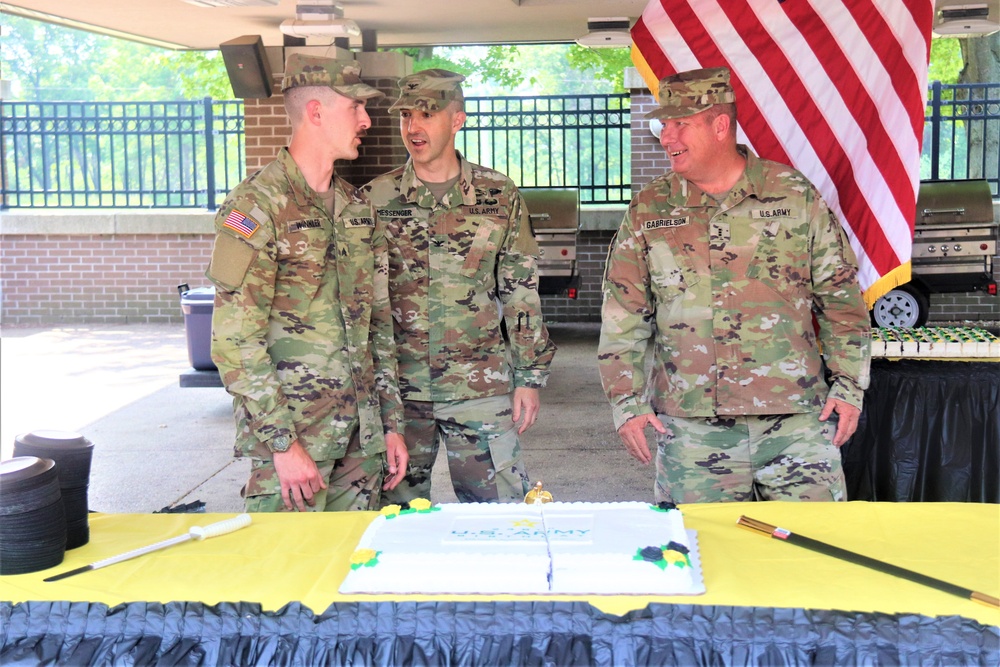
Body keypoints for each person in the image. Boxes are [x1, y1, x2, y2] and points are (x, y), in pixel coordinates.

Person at [598, 67, 871, 504]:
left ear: (719, 124)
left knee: (811, 557)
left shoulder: (793, 196)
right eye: (663, 126)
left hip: (796, 424)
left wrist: (848, 386)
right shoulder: (649, 209)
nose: (666, 138)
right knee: (700, 558)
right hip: (691, 428)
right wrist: (627, 402)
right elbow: (623, 314)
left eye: (679, 124)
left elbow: (840, 300)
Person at [208, 54, 407, 513]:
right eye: (355, 106)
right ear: (315, 112)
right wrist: (282, 445)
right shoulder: (256, 207)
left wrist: (390, 424)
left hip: (362, 442)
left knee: (352, 573)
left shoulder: (358, 211)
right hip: (296, 445)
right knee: (283, 576)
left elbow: (378, 326)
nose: (367, 119)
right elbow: (235, 341)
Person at [364, 69, 556, 504]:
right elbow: (361, 302)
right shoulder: (376, 199)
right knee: (390, 522)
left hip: (479, 389)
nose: (413, 127)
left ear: (457, 120)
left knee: (502, 517)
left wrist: (529, 375)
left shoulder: (497, 194)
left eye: (427, 115)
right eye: (406, 116)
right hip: (399, 394)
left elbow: (520, 290)